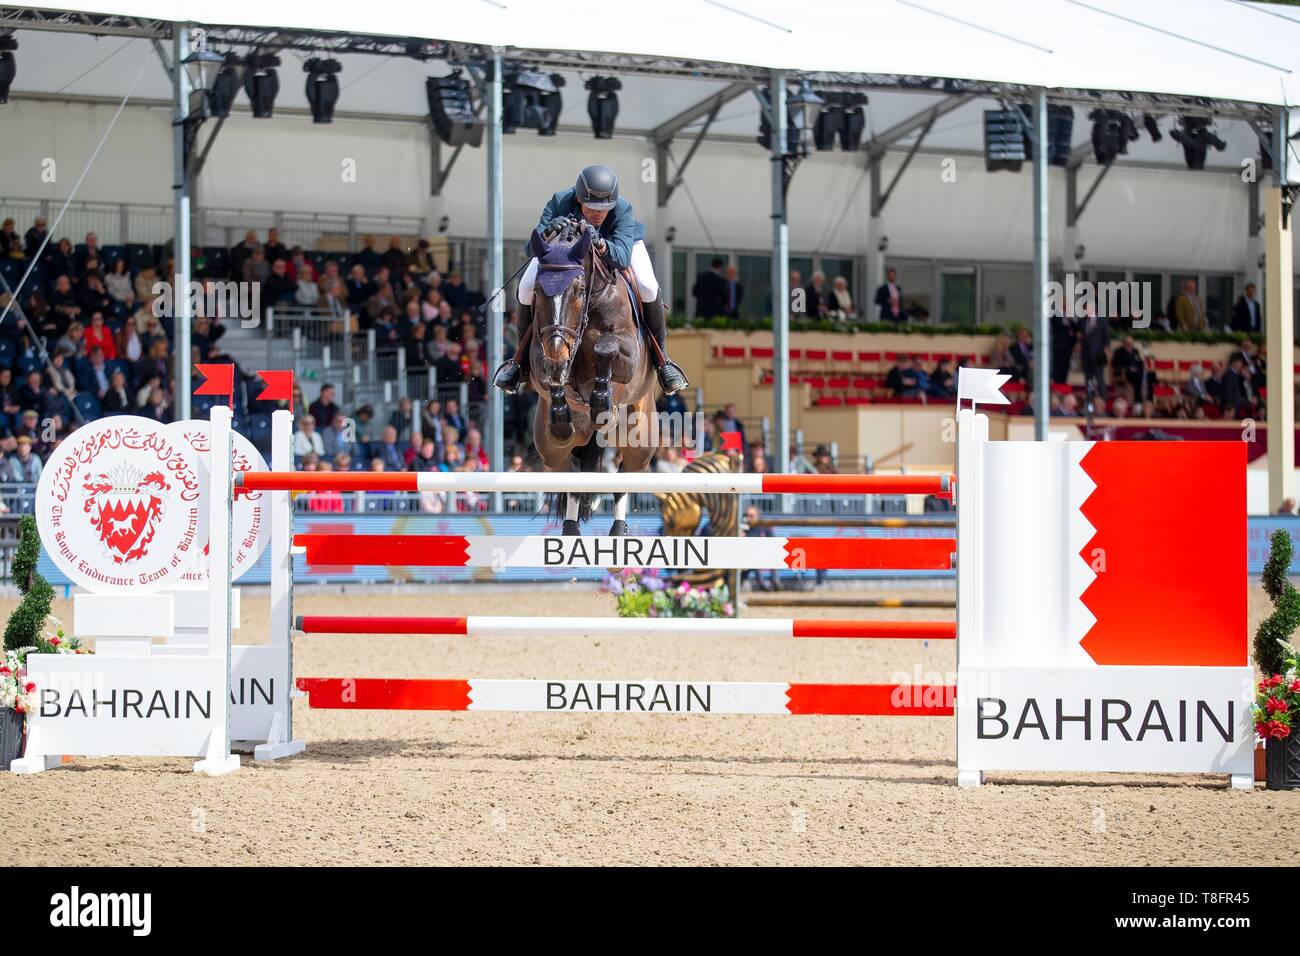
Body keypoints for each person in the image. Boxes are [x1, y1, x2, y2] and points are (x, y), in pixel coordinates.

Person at [492, 164, 689, 396]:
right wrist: (548, 232)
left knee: (647, 286)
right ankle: (519, 363)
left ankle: (662, 361)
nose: (598, 214)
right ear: (578, 198)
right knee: (526, 288)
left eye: (604, 209)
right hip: (565, 255)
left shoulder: (623, 210)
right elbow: (530, 249)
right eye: (592, 207)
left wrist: (600, 242)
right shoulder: (559, 202)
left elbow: (623, 258)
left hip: (620, 245)